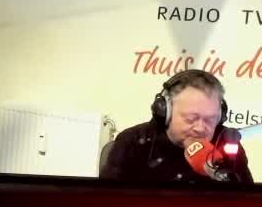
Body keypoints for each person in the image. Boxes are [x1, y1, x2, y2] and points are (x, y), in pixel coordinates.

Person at [99, 69, 254, 184]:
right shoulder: (133, 142)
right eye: (191, 118)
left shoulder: (226, 144)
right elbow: (109, 204)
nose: (200, 128)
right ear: (165, 111)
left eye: (210, 119)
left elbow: (247, 205)